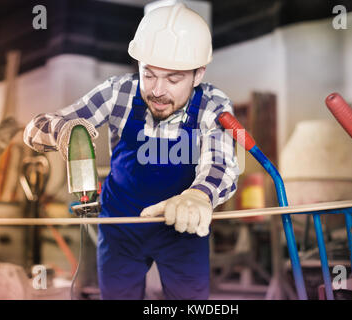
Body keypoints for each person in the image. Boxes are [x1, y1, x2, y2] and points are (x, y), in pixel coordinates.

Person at [23, 3, 239, 300]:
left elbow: (222, 162)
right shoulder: (119, 93)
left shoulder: (213, 104)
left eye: (173, 79)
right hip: (120, 230)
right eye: (149, 75)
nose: (158, 90)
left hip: (183, 231)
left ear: (198, 73)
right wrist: (62, 132)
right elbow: (35, 128)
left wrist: (197, 196)